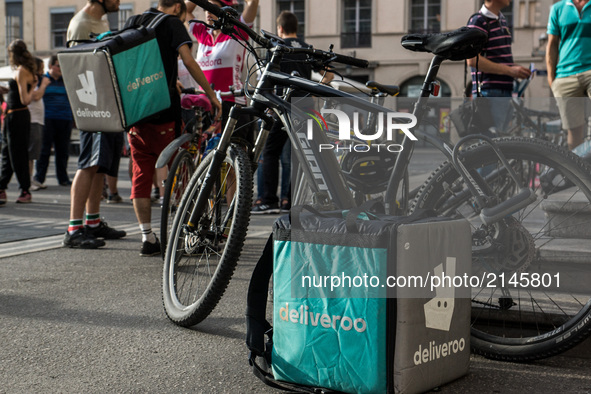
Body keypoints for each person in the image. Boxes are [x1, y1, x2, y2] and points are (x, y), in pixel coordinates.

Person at [126, 0, 221, 256]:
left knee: (141, 176)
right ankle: (186, 234)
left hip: (135, 113)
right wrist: (211, 95)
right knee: (179, 172)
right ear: (178, 7)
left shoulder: (134, 22)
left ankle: (147, 237)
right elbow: (189, 61)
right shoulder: (173, 24)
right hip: (165, 114)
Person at [252, 11, 333, 214]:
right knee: (298, 153)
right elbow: (329, 74)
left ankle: (268, 200)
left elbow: (268, 76)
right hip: (304, 105)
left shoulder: (276, 45)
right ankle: (290, 200)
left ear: (280, 28)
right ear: (297, 28)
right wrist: (315, 89)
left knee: (270, 152)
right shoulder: (306, 48)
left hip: (281, 103)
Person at [63, 0, 126, 249]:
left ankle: (93, 221)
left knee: (100, 165)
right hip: (91, 101)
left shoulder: (100, 20)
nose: (119, 1)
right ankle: (73, 228)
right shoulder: (80, 23)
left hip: (106, 98)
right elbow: (77, 66)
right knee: (88, 162)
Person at [185, 0, 259, 143]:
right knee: (203, 157)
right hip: (205, 104)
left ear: (226, 11)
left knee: (230, 158)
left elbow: (253, 3)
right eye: (206, 8)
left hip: (231, 103)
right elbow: (184, 10)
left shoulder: (237, 31)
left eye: (212, 8)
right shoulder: (202, 32)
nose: (208, 12)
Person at [466, 0, 530, 132]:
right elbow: (472, 60)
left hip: (503, 92)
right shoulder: (478, 21)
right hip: (489, 93)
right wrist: (510, 70)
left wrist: (517, 69)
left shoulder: (501, 20)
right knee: (491, 144)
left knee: (499, 142)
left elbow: (497, 59)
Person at [546, 0, 591, 150]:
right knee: (574, 133)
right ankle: (578, 173)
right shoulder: (558, 9)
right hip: (565, 76)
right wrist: (552, 79)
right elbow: (552, 44)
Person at [0, 39, 37, 205]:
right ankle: (1, 188)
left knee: (16, 154)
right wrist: (8, 90)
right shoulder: (24, 70)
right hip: (13, 115)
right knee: (7, 153)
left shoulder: (22, 71)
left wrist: (37, 88)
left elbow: (25, 99)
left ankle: (25, 189)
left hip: (18, 116)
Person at [32, 55, 72, 190]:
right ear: (50, 66)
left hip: (65, 118)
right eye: (58, 65)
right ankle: (39, 178)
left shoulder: (66, 80)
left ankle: (63, 178)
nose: (60, 68)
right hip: (47, 118)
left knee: (63, 151)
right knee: (44, 150)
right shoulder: (42, 80)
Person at [28, 57, 51, 190]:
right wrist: (43, 85)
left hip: (37, 120)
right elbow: (35, 96)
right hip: (32, 119)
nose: (42, 72)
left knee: (34, 153)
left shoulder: (35, 80)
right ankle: (28, 181)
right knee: (30, 153)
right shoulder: (32, 80)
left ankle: (31, 179)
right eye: (41, 68)